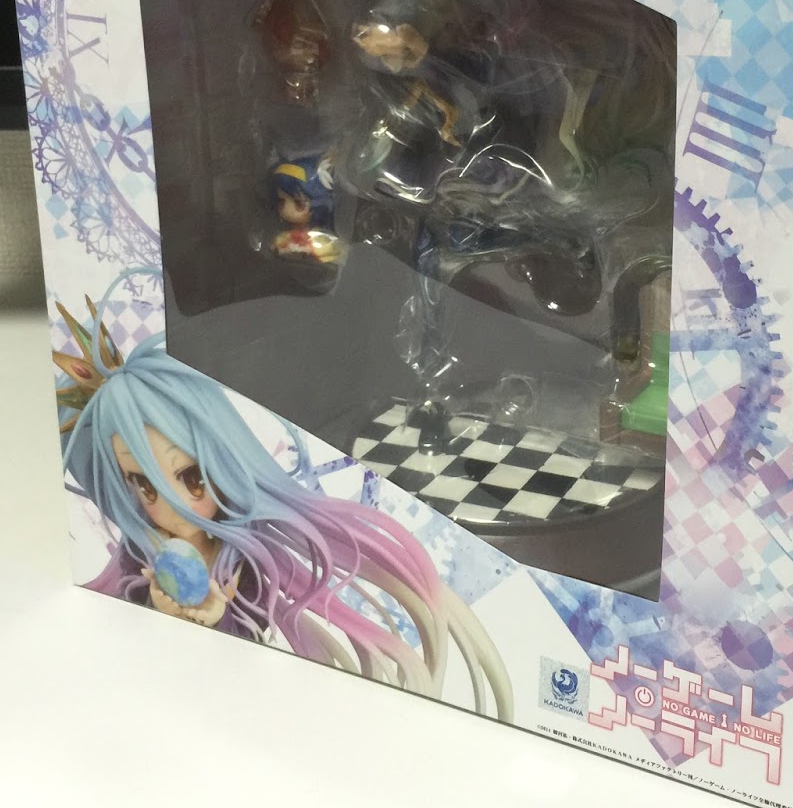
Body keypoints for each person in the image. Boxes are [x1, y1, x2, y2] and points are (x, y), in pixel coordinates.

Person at [52, 278, 512, 717]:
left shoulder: (240, 558)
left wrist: (216, 615)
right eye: (145, 485)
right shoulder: (142, 553)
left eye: (191, 477)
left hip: (232, 699)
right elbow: (125, 617)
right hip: (158, 692)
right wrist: (155, 606)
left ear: (223, 460)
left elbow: (252, 633)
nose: (171, 506)